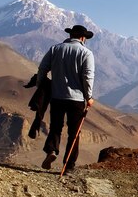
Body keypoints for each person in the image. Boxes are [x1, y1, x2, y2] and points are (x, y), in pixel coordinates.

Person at [37, 25, 95, 172]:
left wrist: (40, 84)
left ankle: (51, 151)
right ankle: (68, 166)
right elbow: (88, 77)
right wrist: (89, 97)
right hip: (76, 99)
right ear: (83, 38)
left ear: (71, 35)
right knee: (74, 133)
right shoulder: (86, 53)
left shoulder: (55, 49)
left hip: (57, 96)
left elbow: (43, 68)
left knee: (55, 127)